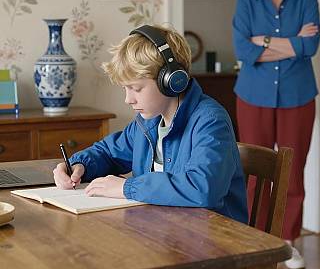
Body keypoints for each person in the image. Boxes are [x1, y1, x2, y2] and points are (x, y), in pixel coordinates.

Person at [53, 24, 248, 224]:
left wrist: (126, 188)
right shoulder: (149, 122)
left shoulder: (210, 121)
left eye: (136, 88)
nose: (128, 99)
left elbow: (203, 188)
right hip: (166, 232)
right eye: (125, 89)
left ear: (172, 80)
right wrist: (79, 165)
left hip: (215, 240)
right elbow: (108, 152)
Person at [232, 0, 320, 269]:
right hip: (252, 96)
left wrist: (264, 42)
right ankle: (256, 240)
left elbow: (310, 48)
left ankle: (286, 242)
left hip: (298, 95)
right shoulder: (246, 1)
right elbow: (243, 50)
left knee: (292, 168)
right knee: (255, 167)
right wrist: (291, 42)